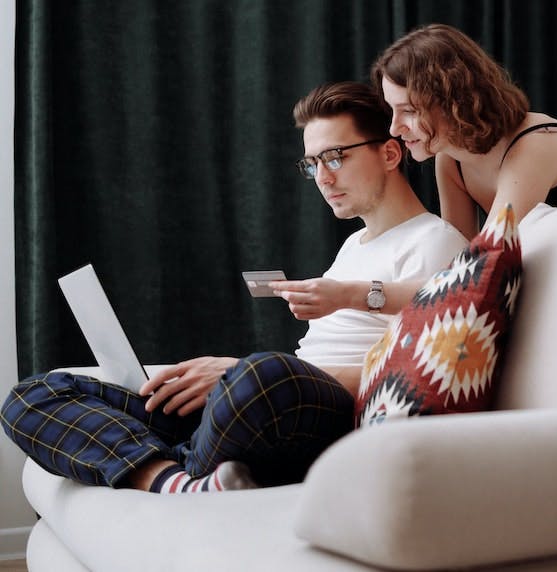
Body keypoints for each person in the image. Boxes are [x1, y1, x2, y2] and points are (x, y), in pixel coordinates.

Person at [0, 82, 467, 493]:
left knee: (264, 375)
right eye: (312, 164)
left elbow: (410, 378)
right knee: (34, 393)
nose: (323, 178)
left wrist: (235, 374)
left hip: (319, 413)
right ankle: (173, 480)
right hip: (268, 410)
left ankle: (164, 460)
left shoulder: (436, 243)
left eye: (335, 157)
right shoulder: (353, 246)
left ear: (389, 153)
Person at [370, 23, 557, 239]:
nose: (395, 128)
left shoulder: (534, 143)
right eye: (393, 110)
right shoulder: (450, 160)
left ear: (453, 100)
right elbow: (458, 257)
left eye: (410, 111)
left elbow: (483, 259)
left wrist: (365, 294)